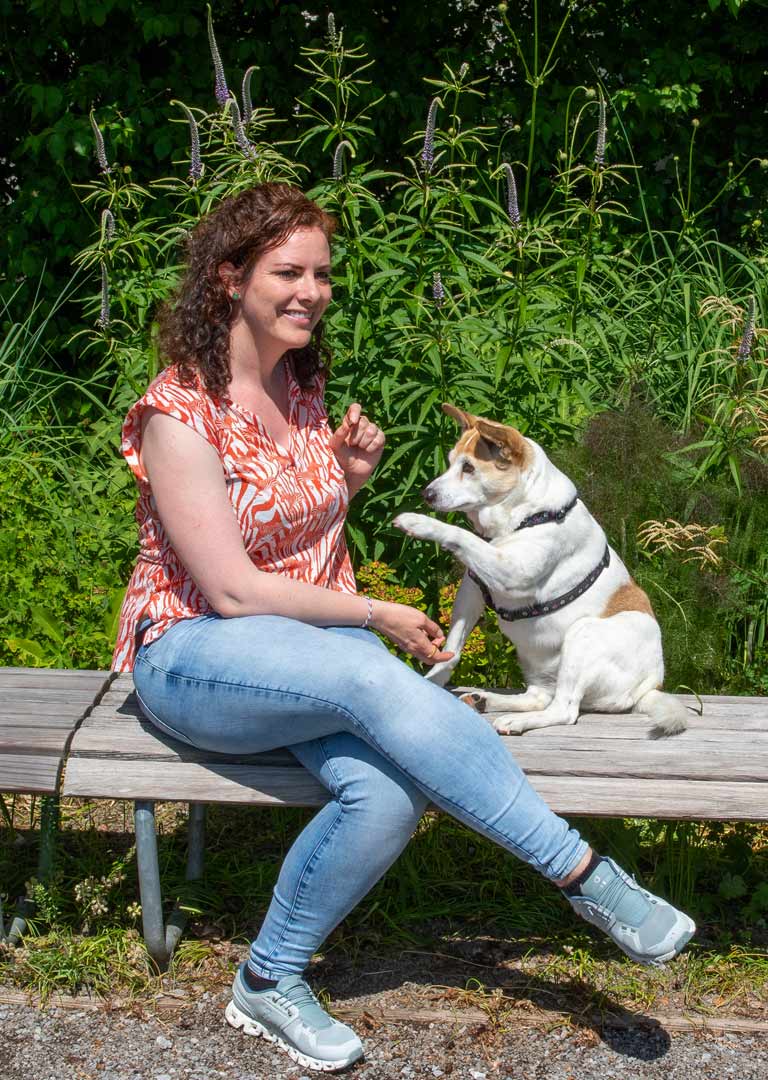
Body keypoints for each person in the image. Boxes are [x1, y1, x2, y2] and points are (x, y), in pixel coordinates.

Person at [113, 183, 695, 1073]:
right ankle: (587, 879)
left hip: (305, 651)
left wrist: (342, 481)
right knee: (366, 671)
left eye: (322, 273)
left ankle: (267, 981)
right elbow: (230, 589)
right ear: (229, 278)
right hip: (195, 653)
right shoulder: (177, 413)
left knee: (388, 792)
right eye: (289, 272)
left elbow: (287, 541)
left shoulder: (295, 384)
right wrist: (375, 611)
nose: (313, 290)